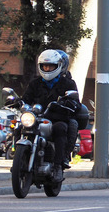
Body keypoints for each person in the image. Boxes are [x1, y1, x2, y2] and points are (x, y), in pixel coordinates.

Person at [22, 49, 79, 182]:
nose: (47, 69)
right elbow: (26, 98)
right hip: (37, 118)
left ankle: (58, 165)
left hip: (57, 118)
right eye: (45, 66)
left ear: (58, 66)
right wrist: (18, 102)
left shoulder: (68, 84)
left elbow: (75, 103)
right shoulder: (35, 83)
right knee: (20, 128)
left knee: (60, 129)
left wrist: (68, 103)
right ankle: (19, 158)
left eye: (50, 66)